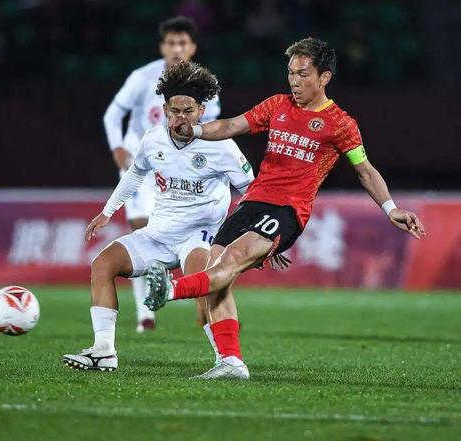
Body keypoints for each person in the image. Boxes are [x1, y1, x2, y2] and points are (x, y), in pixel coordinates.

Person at [144, 37, 426, 379]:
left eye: (303, 74)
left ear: (324, 77)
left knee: (231, 260)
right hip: (251, 203)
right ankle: (230, 362)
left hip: (287, 211)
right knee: (216, 275)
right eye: (291, 73)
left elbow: (364, 170)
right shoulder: (277, 105)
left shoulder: (340, 124)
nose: (294, 80)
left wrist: (390, 208)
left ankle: (170, 290)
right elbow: (231, 126)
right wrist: (196, 129)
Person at [64, 61, 254, 372]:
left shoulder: (222, 146)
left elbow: (253, 191)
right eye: (174, 110)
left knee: (207, 284)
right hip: (159, 234)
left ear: (202, 111)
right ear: (164, 110)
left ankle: (230, 360)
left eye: (188, 111)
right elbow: (134, 174)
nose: (181, 118)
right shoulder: (153, 139)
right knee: (102, 264)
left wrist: (257, 233)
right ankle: (104, 351)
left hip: (199, 235)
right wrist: (108, 211)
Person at [103, 16, 220, 333]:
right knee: (142, 230)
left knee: (189, 239)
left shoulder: (204, 86)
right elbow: (113, 114)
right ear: (162, 46)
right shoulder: (142, 77)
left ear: (193, 47)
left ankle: (197, 301)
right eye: (171, 43)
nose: (177, 49)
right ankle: (146, 315)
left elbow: (211, 130)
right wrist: (117, 147)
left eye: (183, 43)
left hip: (180, 173)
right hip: (141, 165)